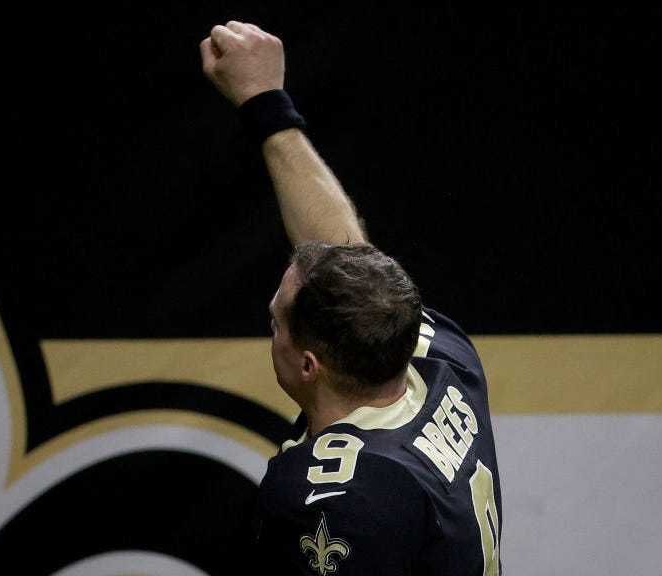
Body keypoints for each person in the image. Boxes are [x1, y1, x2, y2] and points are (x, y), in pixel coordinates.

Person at [201, 21, 503, 575]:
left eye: (276, 323)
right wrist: (266, 104)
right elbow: (349, 261)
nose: (272, 327)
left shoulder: (338, 500)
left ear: (309, 364)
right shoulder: (442, 359)